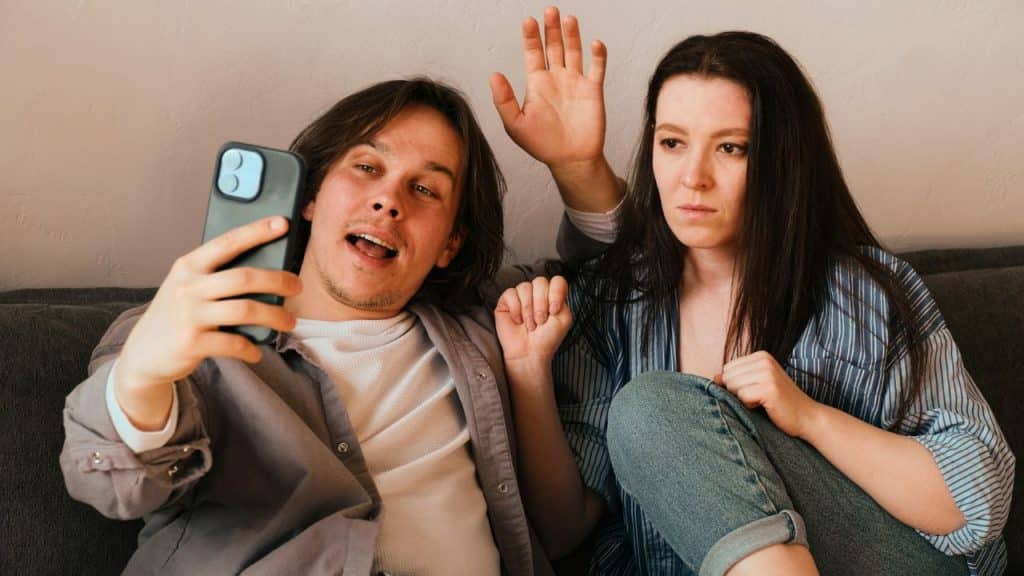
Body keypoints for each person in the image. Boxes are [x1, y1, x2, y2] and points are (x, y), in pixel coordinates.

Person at [492, 8, 1014, 576]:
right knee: (648, 412)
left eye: (731, 148)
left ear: (781, 160)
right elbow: (564, 529)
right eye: (672, 142)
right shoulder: (613, 301)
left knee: (649, 408)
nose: (693, 176)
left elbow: (975, 501)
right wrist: (528, 374)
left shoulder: (865, 293)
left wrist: (810, 418)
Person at [59, 77, 600, 576]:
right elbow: (111, 481)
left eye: (425, 190)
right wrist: (142, 377)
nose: (389, 200)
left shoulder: (488, 320)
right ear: (311, 196)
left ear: (450, 244)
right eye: (367, 167)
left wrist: (579, 167)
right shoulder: (191, 331)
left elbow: (614, 274)